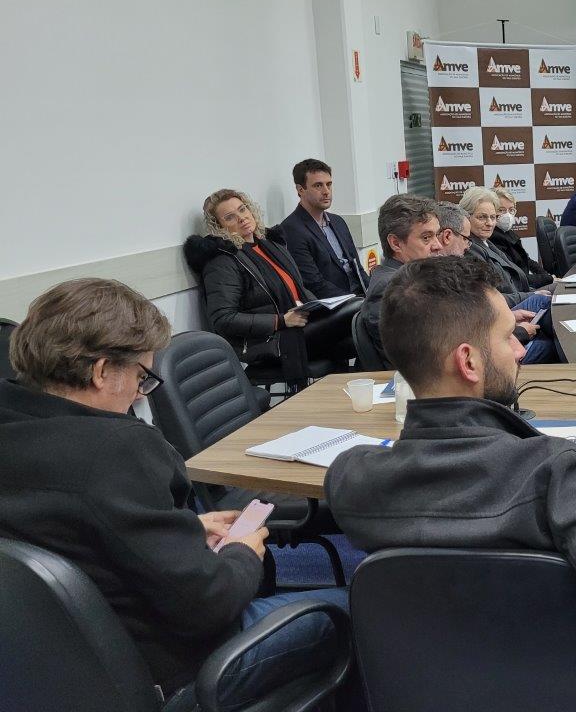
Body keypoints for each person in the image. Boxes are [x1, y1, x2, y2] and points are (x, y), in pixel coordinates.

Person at [325, 255, 576, 709]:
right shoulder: (557, 472)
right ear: (469, 361)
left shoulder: (351, 480)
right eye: (508, 336)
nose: (521, 350)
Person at [0, 279, 350, 709]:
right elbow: (210, 603)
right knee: (357, 607)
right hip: (176, 673)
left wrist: (183, 527)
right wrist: (242, 551)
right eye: (141, 378)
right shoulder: (116, 451)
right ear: (102, 371)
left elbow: (81, 529)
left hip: (61, 672)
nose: (139, 393)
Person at [185, 189, 355, 380]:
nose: (241, 218)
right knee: (358, 316)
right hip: (273, 340)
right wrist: (280, 320)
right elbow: (223, 319)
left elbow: (299, 289)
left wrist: (321, 308)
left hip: (301, 326)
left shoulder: (270, 244)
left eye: (242, 209)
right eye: (230, 217)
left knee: (358, 323)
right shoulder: (222, 261)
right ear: (219, 227)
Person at [437, 200, 557, 364]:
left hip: (492, 322)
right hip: (482, 355)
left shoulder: (456, 262)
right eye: (427, 238)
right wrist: (518, 332)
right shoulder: (437, 276)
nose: (434, 245)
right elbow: (466, 334)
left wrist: (512, 317)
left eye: (493, 217)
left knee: (544, 306)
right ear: (448, 236)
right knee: (549, 345)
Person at [362, 194, 445, 365]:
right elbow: (420, 356)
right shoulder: (391, 288)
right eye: (426, 237)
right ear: (396, 243)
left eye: (437, 235)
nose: (438, 245)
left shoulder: (415, 278)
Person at [279, 158, 369, 298]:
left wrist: (373, 294)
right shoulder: (291, 229)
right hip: (336, 303)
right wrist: (356, 301)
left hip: (360, 297)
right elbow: (314, 284)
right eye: (318, 186)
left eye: (329, 184)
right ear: (301, 190)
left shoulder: (338, 221)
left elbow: (357, 268)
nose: (326, 191)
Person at [490, 186, 555, 287]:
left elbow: (527, 260)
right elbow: (515, 277)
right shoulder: (492, 238)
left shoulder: (508, 233)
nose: (508, 215)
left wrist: (548, 276)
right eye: (501, 210)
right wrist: (548, 279)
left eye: (511, 210)